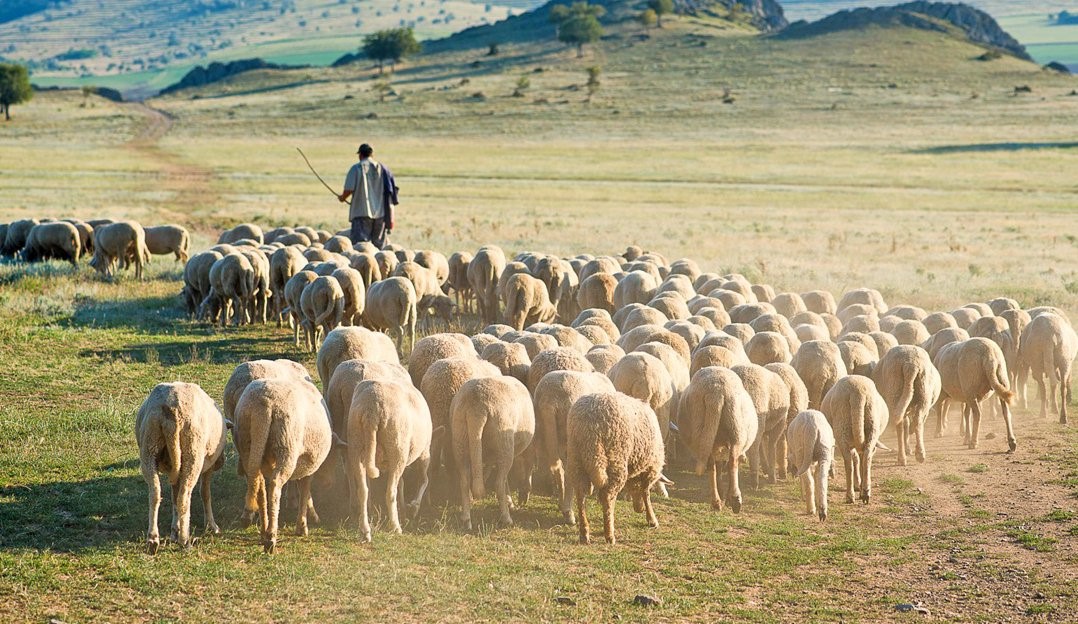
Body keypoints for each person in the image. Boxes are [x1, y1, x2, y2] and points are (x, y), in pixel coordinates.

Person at [338, 143, 399, 249]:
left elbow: (349, 189)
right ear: (372, 155)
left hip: (361, 213)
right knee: (379, 248)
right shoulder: (384, 169)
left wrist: (342, 198)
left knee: (361, 248)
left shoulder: (356, 168)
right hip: (381, 215)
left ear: (360, 155)